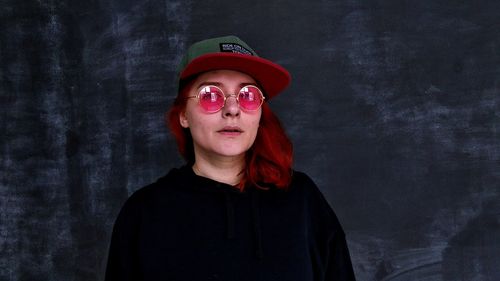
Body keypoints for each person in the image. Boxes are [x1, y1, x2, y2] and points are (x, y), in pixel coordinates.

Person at [105, 35, 356, 281]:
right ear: (183, 114)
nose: (232, 109)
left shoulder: (302, 201)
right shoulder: (144, 212)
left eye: (248, 95)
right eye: (211, 95)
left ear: (259, 113)